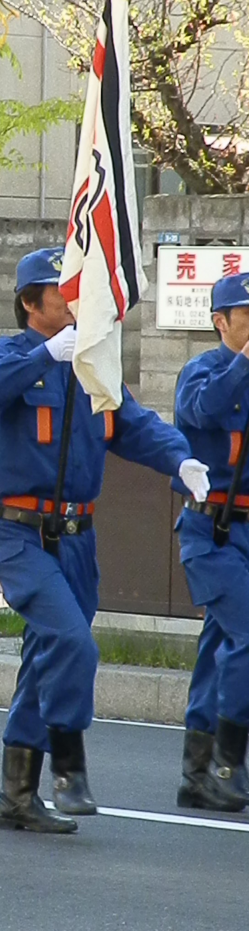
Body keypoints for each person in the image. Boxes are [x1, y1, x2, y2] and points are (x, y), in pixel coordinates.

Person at [0, 246, 208, 834]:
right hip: (18, 533)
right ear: (32, 303)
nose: (77, 301)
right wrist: (47, 355)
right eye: (63, 292)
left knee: (45, 655)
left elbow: (133, 424)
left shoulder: (93, 365)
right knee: (73, 643)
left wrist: (181, 462)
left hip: (76, 539)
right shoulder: (11, 354)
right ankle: (68, 765)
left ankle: (16, 797)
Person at [173, 272, 249, 812]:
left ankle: (196, 773)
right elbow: (200, 413)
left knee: (218, 649)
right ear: (221, 322)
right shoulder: (201, 371)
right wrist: (244, 364)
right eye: (246, 315)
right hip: (212, 531)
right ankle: (227, 764)